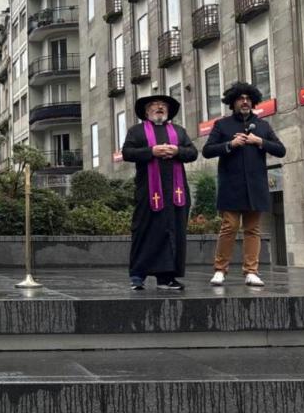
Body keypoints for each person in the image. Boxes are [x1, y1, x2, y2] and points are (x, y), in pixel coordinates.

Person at [203, 82, 286, 287]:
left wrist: (259, 142)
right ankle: (220, 270)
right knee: (229, 227)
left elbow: (281, 150)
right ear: (233, 102)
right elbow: (207, 150)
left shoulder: (263, 126)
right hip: (231, 185)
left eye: (248, 98)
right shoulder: (222, 125)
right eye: (241, 98)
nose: (245, 101)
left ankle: (251, 271)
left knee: (253, 229)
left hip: (256, 186)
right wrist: (230, 145)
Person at [121, 94, 198, 290]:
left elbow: (193, 153)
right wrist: (151, 152)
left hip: (176, 192)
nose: (159, 107)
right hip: (148, 191)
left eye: (163, 105)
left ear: (169, 110)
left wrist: (177, 151)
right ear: (146, 112)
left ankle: (167, 277)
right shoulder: (136, 131)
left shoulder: (179, 132)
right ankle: (138, 275)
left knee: (173, 231)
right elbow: (127, 153)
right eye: (154, 105)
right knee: (145, 231)